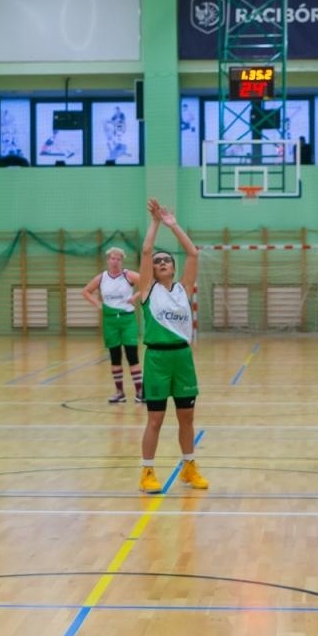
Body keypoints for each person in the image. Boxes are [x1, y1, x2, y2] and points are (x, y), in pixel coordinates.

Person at [130, 199, 205, 494]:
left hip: (182, 358)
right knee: (156, 419)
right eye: (158, 262)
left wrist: (174, 225)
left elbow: (193, 253)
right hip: (157, 359)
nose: (162, 263)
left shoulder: (184, 289)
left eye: (166, 261)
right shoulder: (148, 291)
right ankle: (147, 471)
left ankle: (189, 467)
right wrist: (156, 222)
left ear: (173, 268)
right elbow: (147, 250)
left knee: (187, 418)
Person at [81, 247, 143, 403]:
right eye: (112, 258)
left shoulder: (128, 275)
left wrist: (135, 296)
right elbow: (86, 291)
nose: (115, 261)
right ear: (108, 260)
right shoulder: (102, 277)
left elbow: (147, 283)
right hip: (109, 321)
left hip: (127, 319)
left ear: (122, 261)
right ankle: (119, 392)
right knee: (115, 357)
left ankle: (140, 392)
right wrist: (98, 304)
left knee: (132, 356)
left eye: (118, 259)